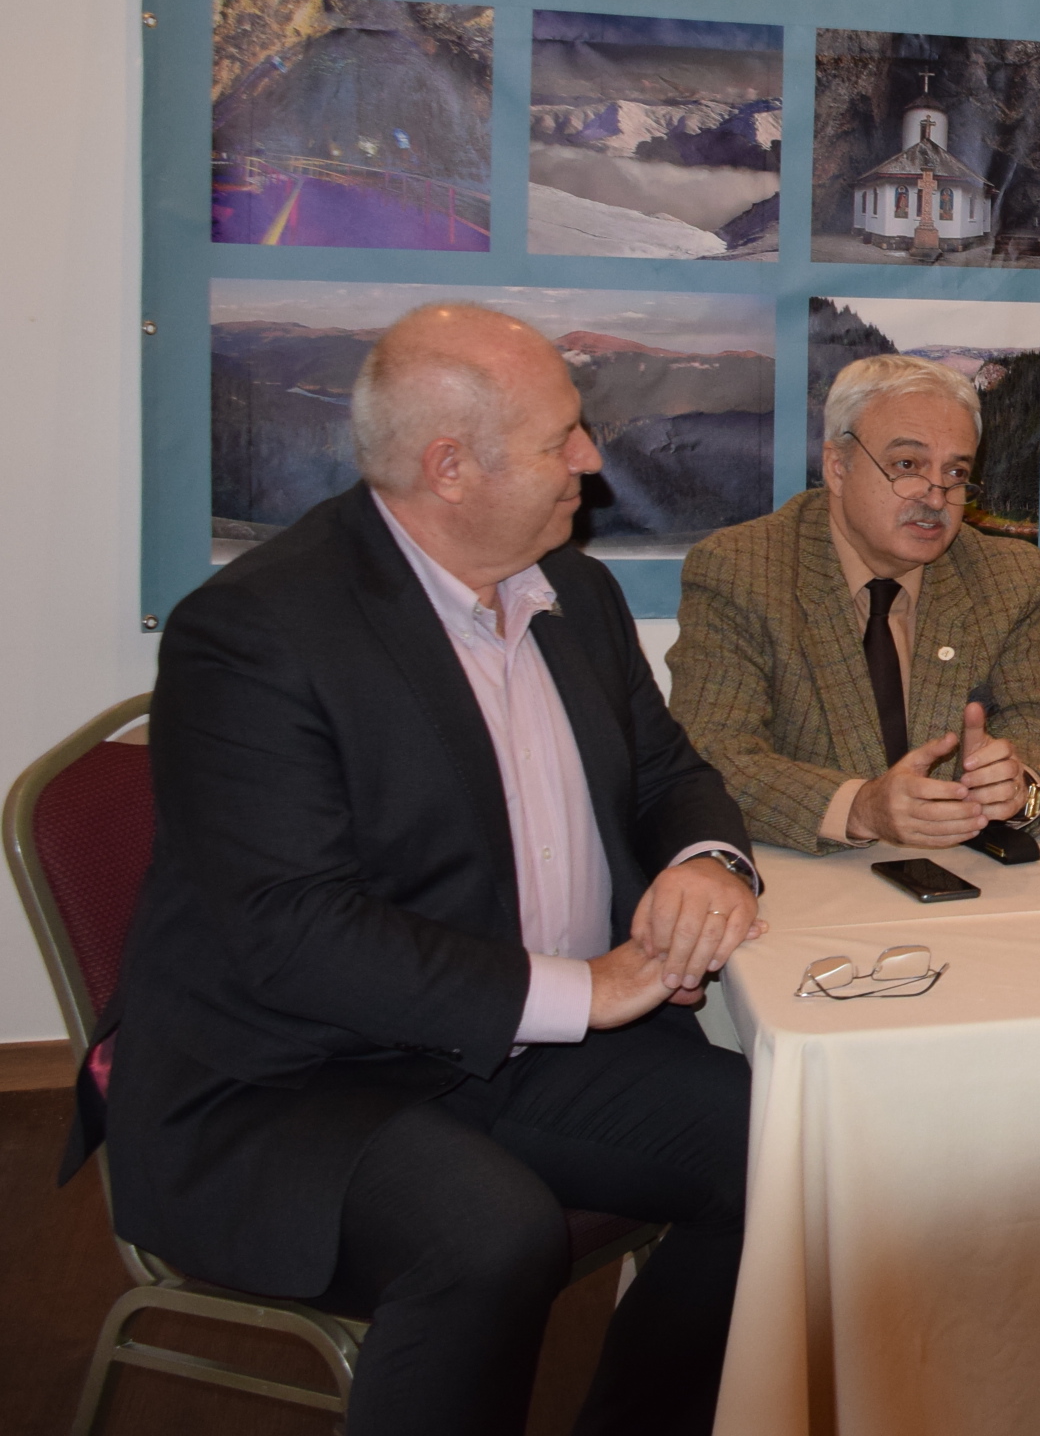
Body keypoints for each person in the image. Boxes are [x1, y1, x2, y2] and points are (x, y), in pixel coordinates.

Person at [82, 303, 761, 1436]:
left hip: (513, 1051)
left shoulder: (574, 595)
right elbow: (294, 932)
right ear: (450, 467)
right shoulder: (253, 632)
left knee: (789, 1153)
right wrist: (585, 989)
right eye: (560, 437)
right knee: (483, 1233)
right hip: (292, 1079)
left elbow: (665, 774)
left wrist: (709, 862)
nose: (591, 459)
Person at [672, 354, 1040, 853]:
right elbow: (713, 754)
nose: (936, 498)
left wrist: (1020, 787)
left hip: (960, 871)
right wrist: (861, 807)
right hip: (807, 876)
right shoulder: (742, 570)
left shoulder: (1006, 575)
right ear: (838, 468)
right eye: (907, 466)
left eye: (956, 472)